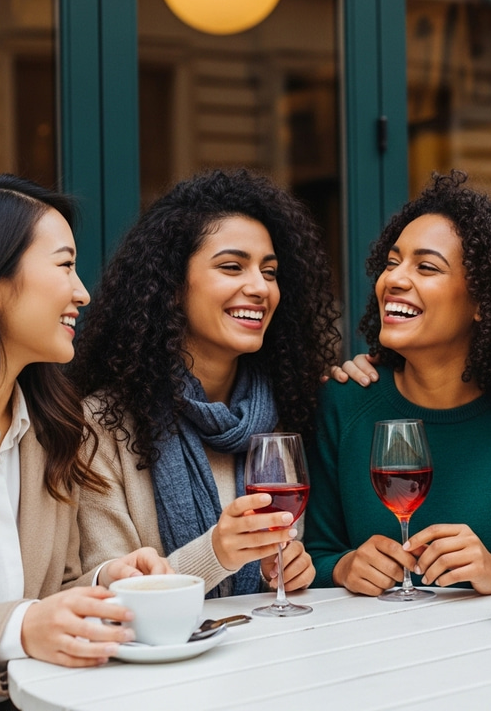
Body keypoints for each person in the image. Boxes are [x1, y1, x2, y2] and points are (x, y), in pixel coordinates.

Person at [0, 173, 171, 710]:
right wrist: (20, 627)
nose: (83, 292)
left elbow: (47, 597)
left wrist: (108, 580)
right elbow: (25, 619)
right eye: (64, 265)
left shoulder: (48, 437)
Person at [305, 170, 491, 597]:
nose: (394, 280)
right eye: (392, 261)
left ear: (482, 301)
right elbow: (311, 556)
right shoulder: (343, 402)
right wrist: (344, 567)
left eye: (426, 267)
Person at [70, 168, 341, 599]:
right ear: (173, 286)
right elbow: (108, 595)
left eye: (269, 272)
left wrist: (292, 572)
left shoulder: (284, 413)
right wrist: (215, 553)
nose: (259, 288)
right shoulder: (102, 426)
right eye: (232, 267)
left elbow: (288, 562)